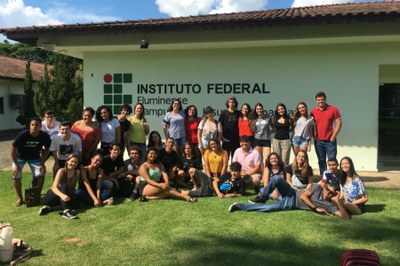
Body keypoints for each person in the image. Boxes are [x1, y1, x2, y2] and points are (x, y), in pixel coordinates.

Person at [229, 175, 349, 220]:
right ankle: (263, 197)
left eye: (331, 193)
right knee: (276, 178)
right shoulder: (318, 188)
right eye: (327, 189)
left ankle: (239, 206)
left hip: (292, 203)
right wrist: (315, 208)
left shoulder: (330, 205)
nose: (327, 192)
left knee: (268, 208)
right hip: (292, 193)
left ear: (334, 194)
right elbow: (303, 196)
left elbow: (345, 217)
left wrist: (337, 202)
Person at [11, 117, 51, 207]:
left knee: (41, 174)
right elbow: (12, 150)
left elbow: (47, 150)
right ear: (30, 126)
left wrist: (42, 162)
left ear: (40, 126)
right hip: (19, 158)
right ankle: (20, 198)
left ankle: (37, 196)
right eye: (32, 125)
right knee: (15, 176)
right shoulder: (22, 135)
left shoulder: (44, 136)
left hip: (35, 158)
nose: (34, 127)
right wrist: (16, 165)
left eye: (37, 125)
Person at [38, 155, 81, 219]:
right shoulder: (61, 171)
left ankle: (47, 210)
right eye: (72, 161)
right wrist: (62, 195)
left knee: (76, 204)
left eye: (76, 162)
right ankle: (66, 212)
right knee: (63, 186)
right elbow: (54, 187)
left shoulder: (77, 172)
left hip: (64, 198)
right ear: (67, 161)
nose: (73, 164)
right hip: (52, 197)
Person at [310, 91, 342, 176]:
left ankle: (334, 178)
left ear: (325, 99)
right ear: (316, 101)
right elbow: (311, 125)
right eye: (318, 100)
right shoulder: (313, 111)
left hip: (330, 141)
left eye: (322, 99)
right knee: (321, 160)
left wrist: (333, 136)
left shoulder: (333, 109)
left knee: (332, 160)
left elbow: (339, 123)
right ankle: (324, 179)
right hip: (319, 141)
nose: (320, 101)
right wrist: (313, 136)